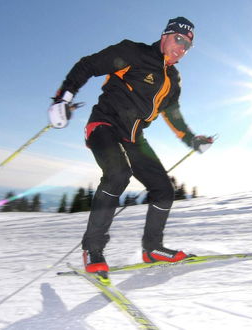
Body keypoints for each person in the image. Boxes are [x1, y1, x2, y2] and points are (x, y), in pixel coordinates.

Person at [48, 17, 214, 273]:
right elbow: (88, 65)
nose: (181, 48)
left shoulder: (173, 79)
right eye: (178, 40)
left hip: (134, 138)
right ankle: (93, 249)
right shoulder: (133, 53)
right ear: (165, 36)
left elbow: (173, 114)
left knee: (164, 191)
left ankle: (152, 249)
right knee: (118, 174)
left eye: (187, 46)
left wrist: (192, 140)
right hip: (104, 125)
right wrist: (63, 98)